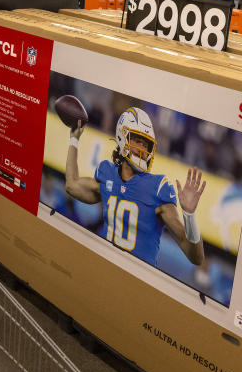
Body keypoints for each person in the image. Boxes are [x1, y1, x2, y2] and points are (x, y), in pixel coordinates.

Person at [64, 107, 206, 267]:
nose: (143, 150)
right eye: (138, 141)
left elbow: (197, 258)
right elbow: (72, 185)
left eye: (147, 145)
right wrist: (74, 140)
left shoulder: (158, 187)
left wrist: (189, 216)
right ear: (122, 136)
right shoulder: (107, 173)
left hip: (138, 278)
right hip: (104, 265)